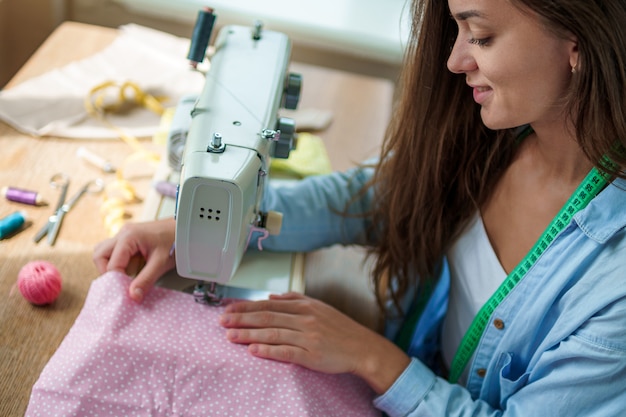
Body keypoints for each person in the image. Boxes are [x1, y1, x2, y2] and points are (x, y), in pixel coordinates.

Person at [93, 0, 626, 414]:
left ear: (577, 41)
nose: (455, 60)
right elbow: (373, 199)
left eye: (481, 36)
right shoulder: (499, 138)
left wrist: (371, 356)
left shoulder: (614, 287)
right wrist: (211, 221)